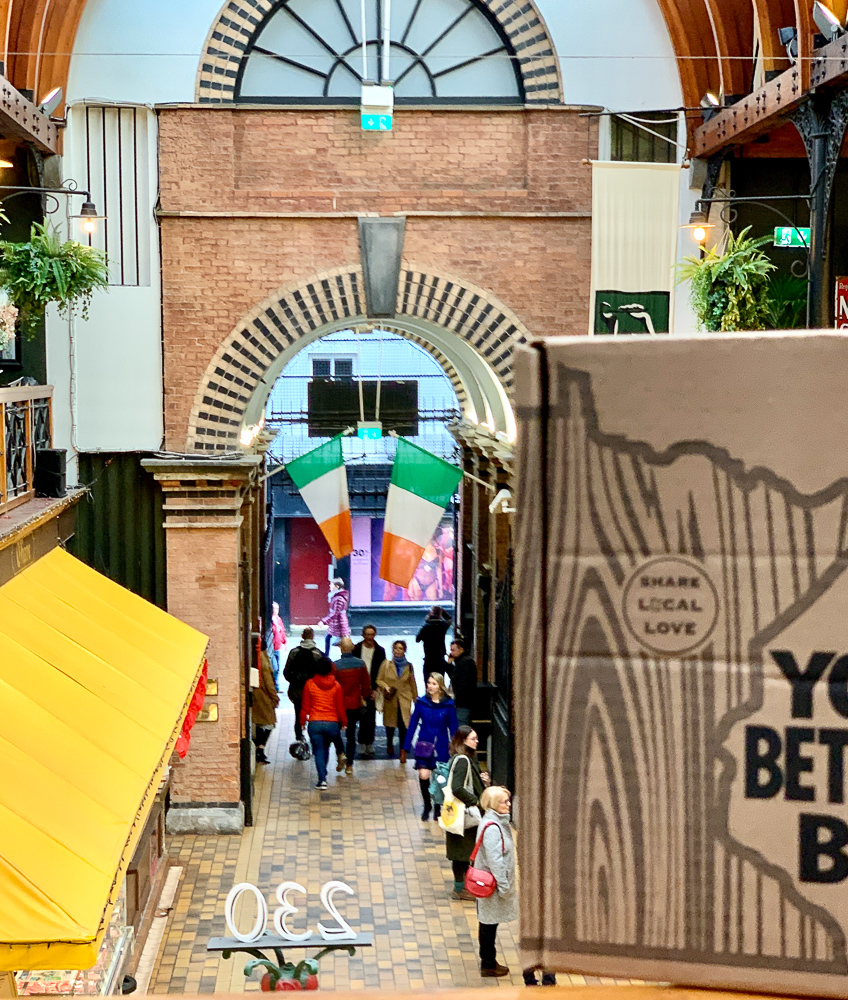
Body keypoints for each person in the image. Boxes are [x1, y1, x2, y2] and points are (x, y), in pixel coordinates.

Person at [474, 785, 516, 978]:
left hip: (491, 884)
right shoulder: (493, 827)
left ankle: (489, 961)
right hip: (492, 886)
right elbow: (495, 861)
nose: (509, 804)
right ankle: (488, 963)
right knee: (488, 923)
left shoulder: (494, 821)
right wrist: (504, 887)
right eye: (504, 801)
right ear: (492, 804)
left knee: (489, 922)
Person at [404, 673, 457, 821]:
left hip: (441, 746)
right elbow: (413, 723)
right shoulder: (421, 703)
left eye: (433, 683)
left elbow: (453, 727)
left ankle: (438, 806)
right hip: (423, 745)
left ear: (440, 686)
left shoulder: (448, 705)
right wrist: (407, 744)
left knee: (441, 778)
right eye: (428, 683)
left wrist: (456, 747)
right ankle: (427, 805)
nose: (429, 686)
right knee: (424, 775)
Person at [445, 725, 489, 899]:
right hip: (464, 814)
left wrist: (483, 781)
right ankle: (460, 889)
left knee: (462, 853)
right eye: (473, 739)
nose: (477, 742)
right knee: (462, 853)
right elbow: (457, 787)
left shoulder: (467, 759)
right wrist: (475, 802)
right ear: (463, 741)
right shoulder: (463, 760)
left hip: (460, 814)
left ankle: (462, 887)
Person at [300, 656, 347, 789]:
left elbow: (305, 706)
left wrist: (302, 722)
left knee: (319, 750)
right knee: (326, 748)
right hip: (331, 723)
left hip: (315, 723)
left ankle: (322, 779)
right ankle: (324, 772)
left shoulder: (310, 684)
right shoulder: (336, 685)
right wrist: (344, 722)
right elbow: (340, 707)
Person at [334, 637, 372, 775]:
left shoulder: (336, 666)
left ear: (341, 649)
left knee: (335, 732)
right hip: (355, 704)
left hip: (340, 705)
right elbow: (366, 685)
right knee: (351, 736)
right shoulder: (360, 664)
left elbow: (333, 685)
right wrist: (366, 698)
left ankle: (340, 754)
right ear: (353, 648)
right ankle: (350, 765)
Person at [375, 640, 418, 761]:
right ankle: (389, 743)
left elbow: (412, 683)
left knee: (404, 725)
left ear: (404, 650)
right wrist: (385, 686)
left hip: (404, 698)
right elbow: (379, 680)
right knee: (390, 725)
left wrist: (415, 698)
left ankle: (403, 751)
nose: (397, 651)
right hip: (391, 699)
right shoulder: (386, 664)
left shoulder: (408, 666)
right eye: (395, 648)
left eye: (400, 649)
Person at [283, 627, 322, 742]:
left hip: (297, 691)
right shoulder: (317, 654)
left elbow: (286, 672)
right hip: (313, 691)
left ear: (302, 636)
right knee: (315, 715)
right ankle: (314, 736)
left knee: (298, 715)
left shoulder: (294, 652)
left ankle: (299, 737)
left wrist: (294, 681)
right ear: (312, 636)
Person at [353, 624, 386, 756]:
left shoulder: (380, 651)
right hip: (358, 687)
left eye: (372, 634)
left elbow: (381, 671)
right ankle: (361, 742)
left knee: (371, 716)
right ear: (363, 635)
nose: (369, 637)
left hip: (373, 687)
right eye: (367, 634)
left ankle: (370, 743)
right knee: (361, 715)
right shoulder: (356, 649)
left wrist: (377, 688)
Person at [253, 640, 280, 764]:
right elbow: (269, 683)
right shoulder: (264, 661)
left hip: (255, 694)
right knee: (269, 723)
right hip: (264, 696)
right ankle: (260, 748)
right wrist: (274, 697)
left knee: (260, 723)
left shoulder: (253, 659)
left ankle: (259, 749)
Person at [415, 606, 452, 686]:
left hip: (429, 660)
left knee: (428, 683)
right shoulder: (442, 626)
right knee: (439, 683)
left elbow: (417, 639)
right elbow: (449, 620)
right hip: (440, 660)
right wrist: (444, 612)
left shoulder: (426, 627)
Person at [447, 636, 477, 728]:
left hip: (463, 703)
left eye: (453, 650)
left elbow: (461, 683)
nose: (451, 653)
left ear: (461, 649)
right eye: (451, 650)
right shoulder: (461, 661)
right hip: (462, 702)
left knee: (461, 728)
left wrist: (456, 698)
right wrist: (449, 665)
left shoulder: (465, 662)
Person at [320, 577, 350, 655]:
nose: (330, 586)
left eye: (331, 584)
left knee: (342, 641)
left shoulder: (339, 599)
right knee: (328, 638)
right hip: (335, 623)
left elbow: (335, 613)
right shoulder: (335, 597)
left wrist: (323, 621)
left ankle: (345, 656)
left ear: (337, 586)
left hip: (339, 623)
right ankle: (326, 655)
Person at [270, 601, 287, 688]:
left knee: (278, 668)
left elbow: (282, 631)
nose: (276, 610)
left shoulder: (278, 619)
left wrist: (284, 642)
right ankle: (273, 686)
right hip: (271, 647)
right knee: (275, 668)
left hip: (277, 647)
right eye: (274, 608)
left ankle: (276, 686)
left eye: (277, 608)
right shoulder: (269, 620)